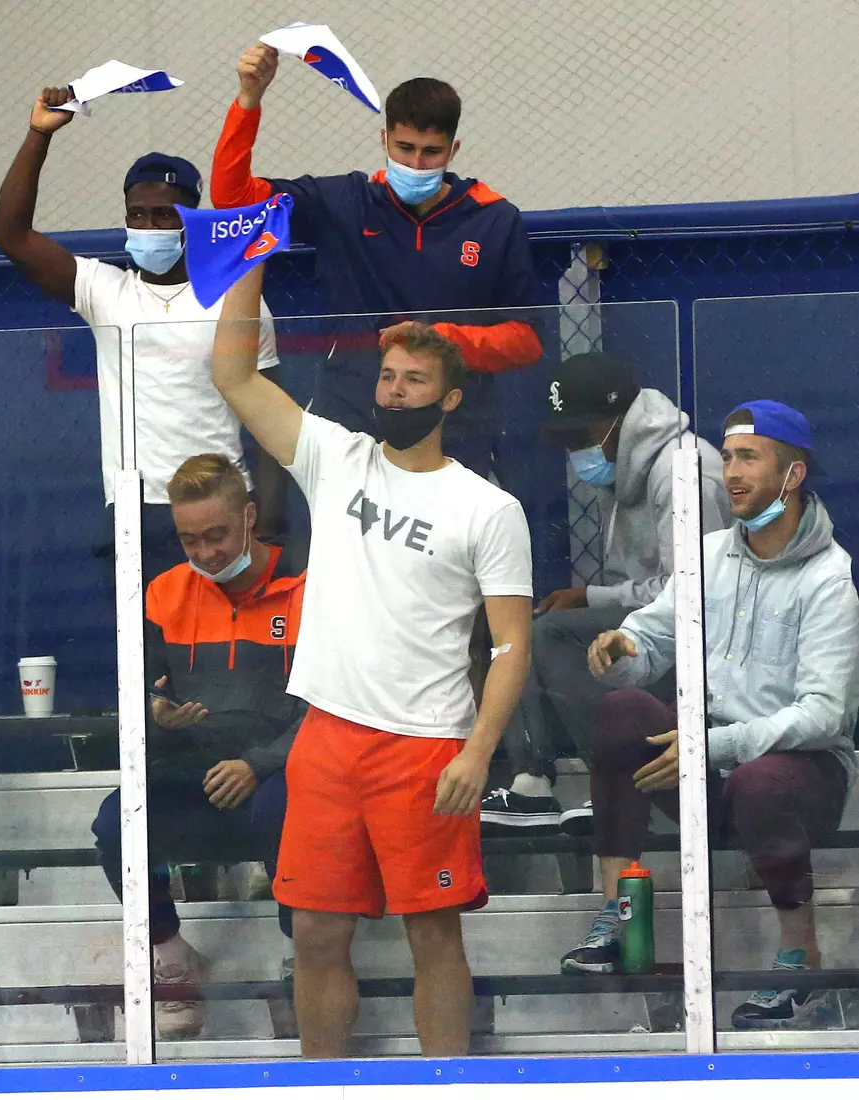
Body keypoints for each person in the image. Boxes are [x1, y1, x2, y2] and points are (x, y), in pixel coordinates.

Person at [209, 262, 532, 1058]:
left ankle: (445, 1082)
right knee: (316, 930)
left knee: (432, 931)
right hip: (325, 737)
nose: (393, 391)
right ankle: (321, 1082)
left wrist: (478, 750)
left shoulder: (487, 508)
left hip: (424, 746)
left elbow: (512, 645)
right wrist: (250, 260)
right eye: (387, 377)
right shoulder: (336, 457)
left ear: (449, 398)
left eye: (413, 380)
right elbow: (232, 373)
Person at [561, 400, 859, 1031]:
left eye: (749, 457)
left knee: (762, 778)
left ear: (793, 474)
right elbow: (655, 636)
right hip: (700, 762)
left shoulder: (831, 579)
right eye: (726, 457)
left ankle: (799, 966)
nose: (731, 472)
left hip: (798, 775)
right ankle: (615, 920)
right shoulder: (710, 552)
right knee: (622, 710)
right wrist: (626, 645)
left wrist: (712, 746)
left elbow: (824, 715)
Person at [0, 86, 284, 583]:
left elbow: (272, 420)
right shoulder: (104, 290)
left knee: (226, 652)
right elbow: (9, 233)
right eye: (138, 215)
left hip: (224, 508)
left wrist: (271, 524)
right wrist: (40, 133)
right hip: (136, 510)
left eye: (165, 214)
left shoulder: (237, 298)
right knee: (144, 658)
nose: (150, 225)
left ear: (193, 219)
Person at [209, 46, 543, 480]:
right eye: (404, 148)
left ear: (453, 150)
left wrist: (439, 340)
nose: (416, 164)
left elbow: (527, 340)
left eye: (431, 152)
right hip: (350, 433)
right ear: (383, 140)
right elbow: (232, 200)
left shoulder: (495, 219)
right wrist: (248, 100)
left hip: (455, 439)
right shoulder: (343, 202)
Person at [90, 453, 307, 1040]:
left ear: (250, 517)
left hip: (281, 769)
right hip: (195, 769)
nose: (207, 552)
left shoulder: (308, 583)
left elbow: (332, 704)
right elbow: (139, 699)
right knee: (116, 821)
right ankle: (171, 954)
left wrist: (258, 763)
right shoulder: (163, 593)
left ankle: (301, 956)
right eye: (191, 540)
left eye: (217, 535)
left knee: (286, 804)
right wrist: (157, 715)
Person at [480, 353, 730, 830]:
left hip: (696, 647)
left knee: (553, 633)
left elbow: (694, 593)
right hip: (645, 630)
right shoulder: (623, 464)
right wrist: (591, 598)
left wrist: (593, 598)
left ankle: (610, 781)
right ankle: (532, 783)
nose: (575, 451)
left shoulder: (685, 474)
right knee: (526, 631)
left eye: (581, 435)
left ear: (619, 421)